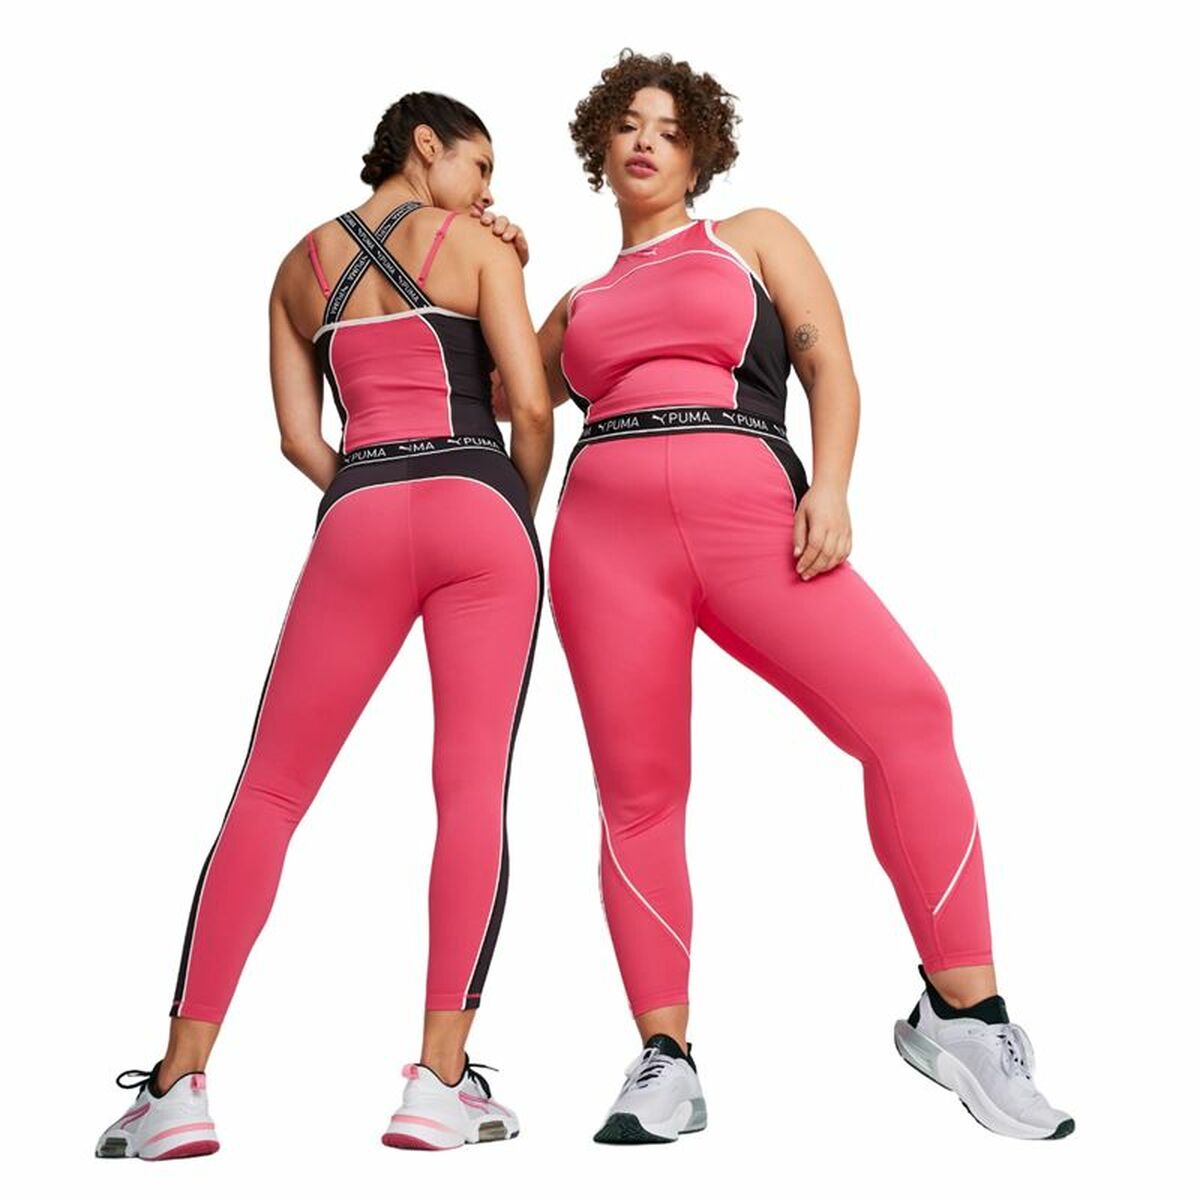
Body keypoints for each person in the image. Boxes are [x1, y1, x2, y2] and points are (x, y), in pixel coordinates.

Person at [532, 50, 1074, 1143]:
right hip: (602, 542)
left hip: (753, 517)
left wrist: (830, 485)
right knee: (639, 792)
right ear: (600, 146)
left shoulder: (751, 239)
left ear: (699, 154)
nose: (646, 142)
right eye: (627, 125)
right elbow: (500, 390)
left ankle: (965, 1017)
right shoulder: (574, 302)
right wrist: (489, 253)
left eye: (670, 129)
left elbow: (831, 367)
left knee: (909, 714)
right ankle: (664, 1059)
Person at [95, 91, 552, 1159]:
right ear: (426, 146)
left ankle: (177, 1087)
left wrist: (372, 494)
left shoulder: (297, 266)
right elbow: (531, 407)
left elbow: (301, 439)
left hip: (359, 512)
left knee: (269, 791)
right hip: (479, 507)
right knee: (470, 789)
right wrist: (510, 510)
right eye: (481, 166)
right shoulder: (481, 250)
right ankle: (439, 1085)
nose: (489, 191)